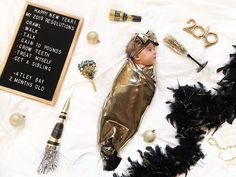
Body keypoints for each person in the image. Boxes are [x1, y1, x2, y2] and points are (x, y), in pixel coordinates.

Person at [99, 30, 159, 171]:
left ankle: (112, 145)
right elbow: (120, 93)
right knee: (119, 114)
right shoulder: (129, 73)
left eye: (154, 49)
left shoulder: (148, 71)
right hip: (122, 107)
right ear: (137, 56)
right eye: (150, 50)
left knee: (131, 120)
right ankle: (110, 142)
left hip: (133, 111)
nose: (155, 52)